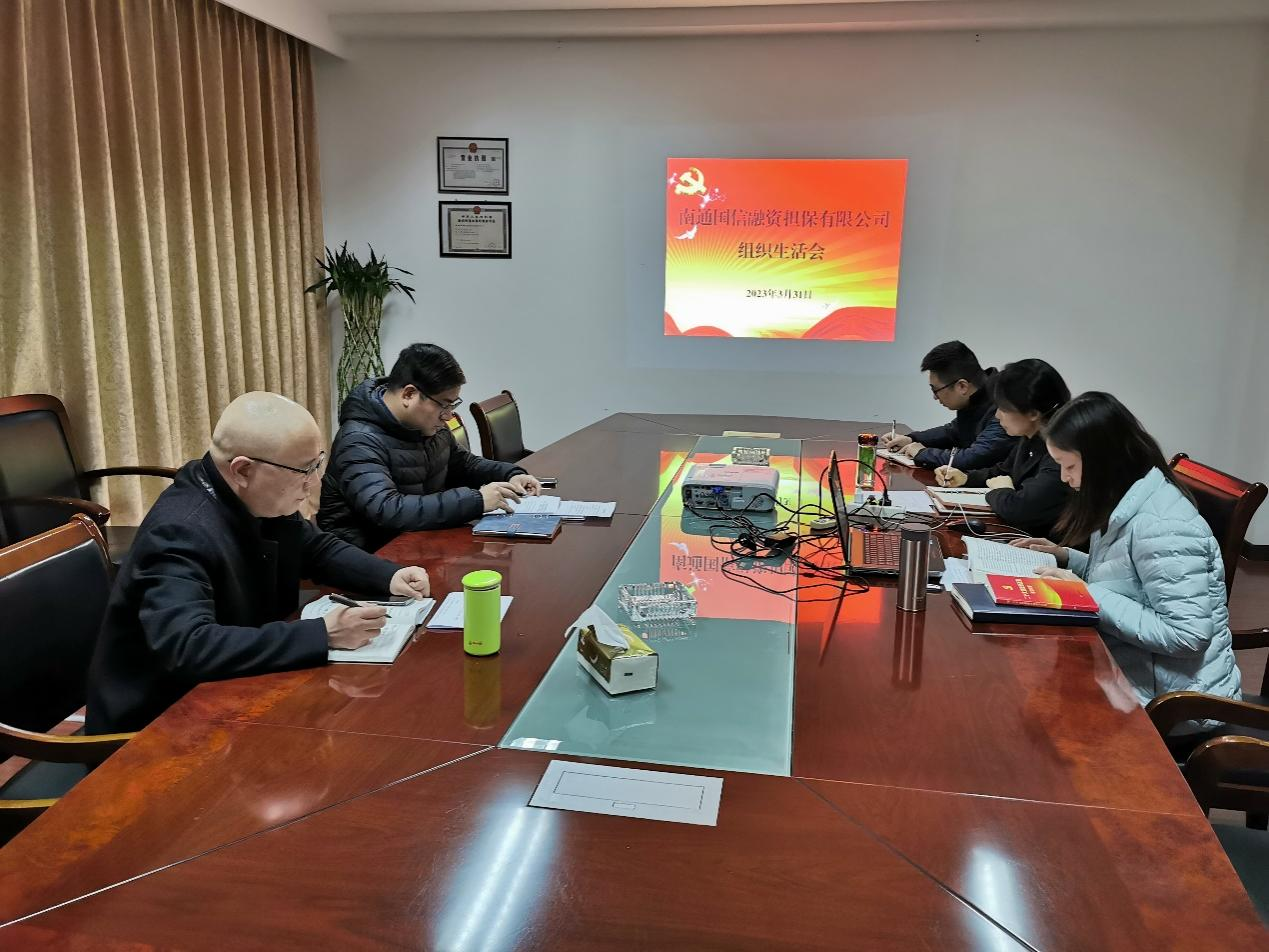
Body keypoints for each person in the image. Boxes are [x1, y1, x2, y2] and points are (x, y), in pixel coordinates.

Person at [87, 392, 430, 734]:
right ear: (243, 470)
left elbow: (315, 548)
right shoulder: (179, 532)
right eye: (304, 470)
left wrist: (390, 575)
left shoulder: (253, 497)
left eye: (317, 464)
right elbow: (189, 646)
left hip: (231, 694)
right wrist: (323, 634)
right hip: (159, 725)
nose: (314, 482)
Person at [1011, 392, 1241, 723]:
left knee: (1031, 709)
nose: (1064, 477)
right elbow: (1128, 580)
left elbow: (1187, 635)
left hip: (1179, 704)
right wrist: (1067, 558)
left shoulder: (1164, 526)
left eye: (1069, 466)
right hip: (1133, 673)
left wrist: (1086, 594)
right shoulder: (1123, 500)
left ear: (1103, 460)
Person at [319, 343, 543, 551]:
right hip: (371, 557)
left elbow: (464, 464)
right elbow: (387, 509)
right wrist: (476, 501)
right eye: (444, 405)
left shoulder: (426, 426)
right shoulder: (358, 440)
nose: (449, 416)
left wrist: (510, 474)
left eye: (453, 405)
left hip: (421, 542)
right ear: (409, 394)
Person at [933, 358, 1072, 537]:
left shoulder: (1061, 452)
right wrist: (966, 478)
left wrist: (1001, 490)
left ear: (1032, 413)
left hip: (1048, 544)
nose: (997, 416)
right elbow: (1003, 471)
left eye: (1004, 409)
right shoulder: (1029, 436)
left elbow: (1019, 509)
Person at [880, 340, 1014, 471]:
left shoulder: (1005, 405)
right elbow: (953, 432)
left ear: (962, 386)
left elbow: (974, 458)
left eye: (935, 390)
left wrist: (922, 453)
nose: (935, 397)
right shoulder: (980, 396)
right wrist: (911, 439)